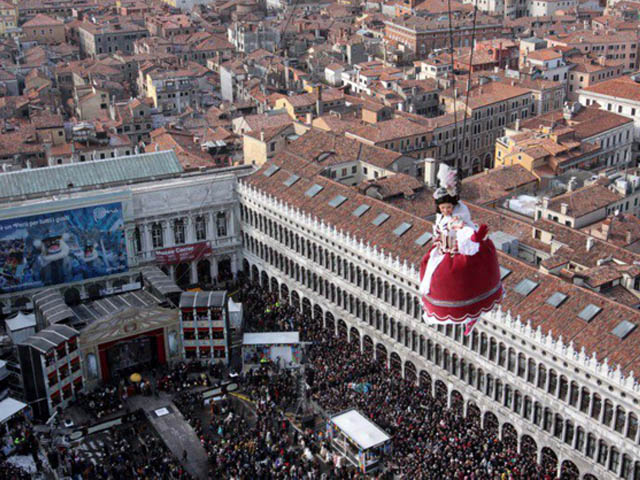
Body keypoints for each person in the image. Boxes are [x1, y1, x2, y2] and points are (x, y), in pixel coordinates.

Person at [419, 164, 503, 335]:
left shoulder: (457, 217)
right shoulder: (442, 216)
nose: (446, 210)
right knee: (430, 277)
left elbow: (464, 230)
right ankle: (467, 317)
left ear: (454, 206)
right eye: (443, 208)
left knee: (458, 285)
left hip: (457, 252)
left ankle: (471, 317)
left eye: (448, 207)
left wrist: (475, 237)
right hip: (442, 250)